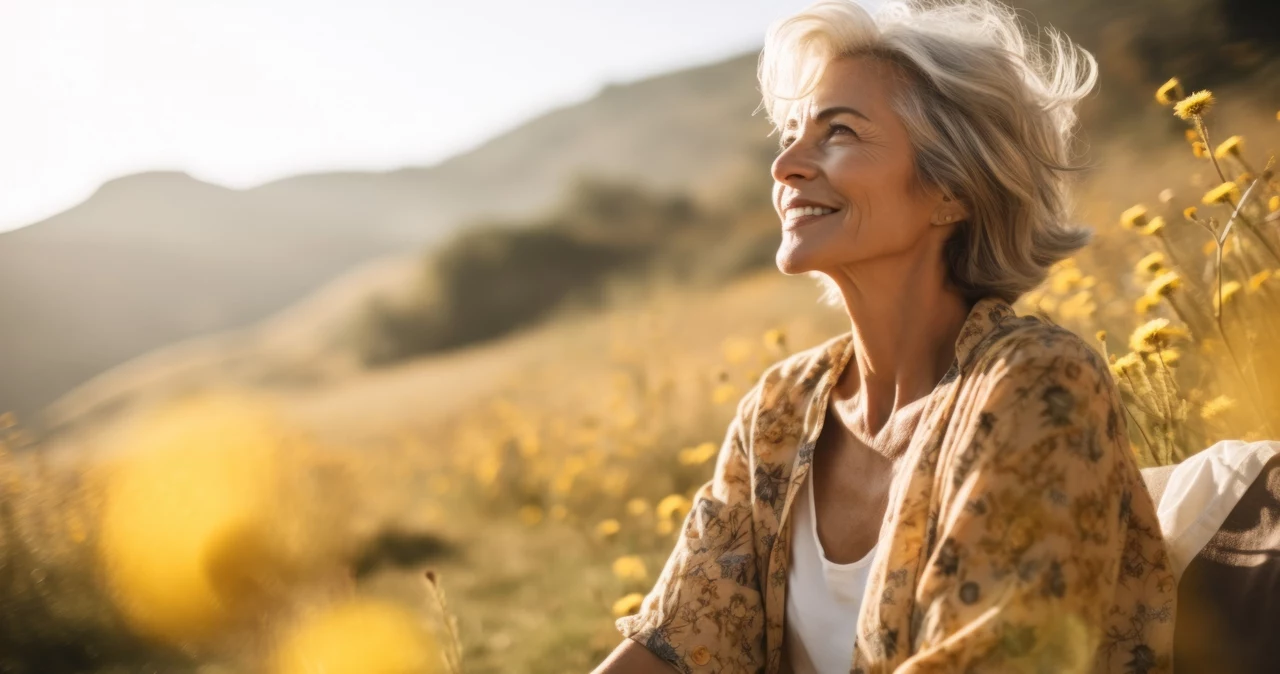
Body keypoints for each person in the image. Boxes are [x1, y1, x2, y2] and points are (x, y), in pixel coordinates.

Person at [592, 0, 1176, 672]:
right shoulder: (780, 409)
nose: (786, 165)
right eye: (789, 132)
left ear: (951, 188)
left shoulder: (1036, 382)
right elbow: (677, 641)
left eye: (837, 132)